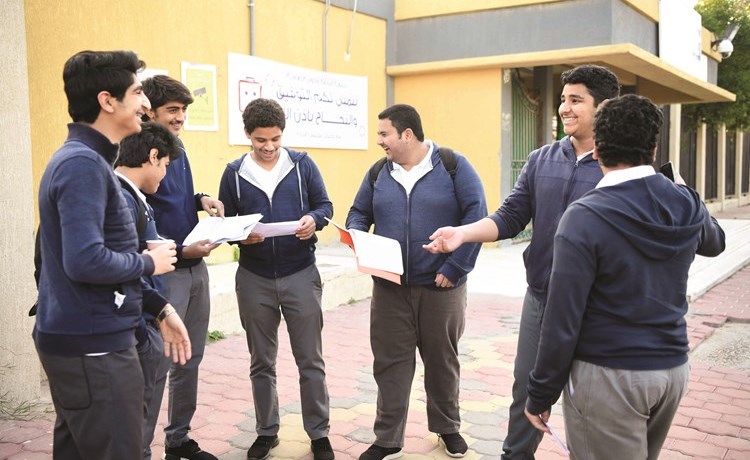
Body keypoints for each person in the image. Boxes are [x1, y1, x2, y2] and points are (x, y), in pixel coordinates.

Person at [424, 64, 620, 459]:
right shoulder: (542, 159)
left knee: (589, 401)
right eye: (563, 99)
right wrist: (462, 233)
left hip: (596, 308)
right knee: (527, 391)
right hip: (541, 298)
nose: (564, 108)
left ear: (603, 107)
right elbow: (511, 216)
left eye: (576, 100)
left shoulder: (619, 166)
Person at [524, 94, 726, 459]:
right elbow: (715, 242)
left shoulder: (584, 216)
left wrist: (540, 393)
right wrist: (680, 187)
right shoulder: (685, 201)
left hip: (609, 374)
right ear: (653, 149)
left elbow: (562, 317)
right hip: (671, 370)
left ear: (597, 150)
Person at [34, 50, 188, 460]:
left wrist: (159, 308)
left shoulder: (88, 161)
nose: (145, 103)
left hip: (87, 342)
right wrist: (149, 263)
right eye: (137, 92)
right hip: (93, 346)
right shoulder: (82, 165)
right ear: (107, 101)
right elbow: (84, 260)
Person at [347, 104, 487, 460]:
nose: (379, 141)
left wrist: (456, 267)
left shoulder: (454, 166)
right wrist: (358, 235)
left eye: (384, 134)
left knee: (442, 362)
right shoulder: (378, 172)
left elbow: (477, 218)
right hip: (389, 288)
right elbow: (359, 212)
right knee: (389, 364)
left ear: (406, 134)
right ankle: (387, 439)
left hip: (442, 287)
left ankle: (447, 428)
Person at [218, 98, 335, 460]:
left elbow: (325, 206)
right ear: (247, 135)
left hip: (301, 274)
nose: (268, 147)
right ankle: (266, 432)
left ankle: (319, 434)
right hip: (254, 278)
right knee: (261, 362)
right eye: (260, 140)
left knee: (310, 360)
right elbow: (226, 224)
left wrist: (314, 220)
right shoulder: (234, 173)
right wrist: (241, 236)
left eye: (275, 139)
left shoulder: (302, 165)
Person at [142, 74, 224, 460]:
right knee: (158, 364)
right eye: (172, 110)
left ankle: (177, 440)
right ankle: (139, 449)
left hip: (195, 267)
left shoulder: (178, 148)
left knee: (190, 357)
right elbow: (140, 222)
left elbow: (174, 199)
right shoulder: (139, 153)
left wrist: (200, 199)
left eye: (184, 111)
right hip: (165, 273)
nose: (179, 118)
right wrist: (181, 250)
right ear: (150, 112)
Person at [114, 122, 189, 457]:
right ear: (154, 156)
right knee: (132, 426)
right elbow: (116, 266)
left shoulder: (132, 197)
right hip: (133, 326)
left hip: (143, 320)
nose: (165, 174)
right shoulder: (119, 199)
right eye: (166, 166)